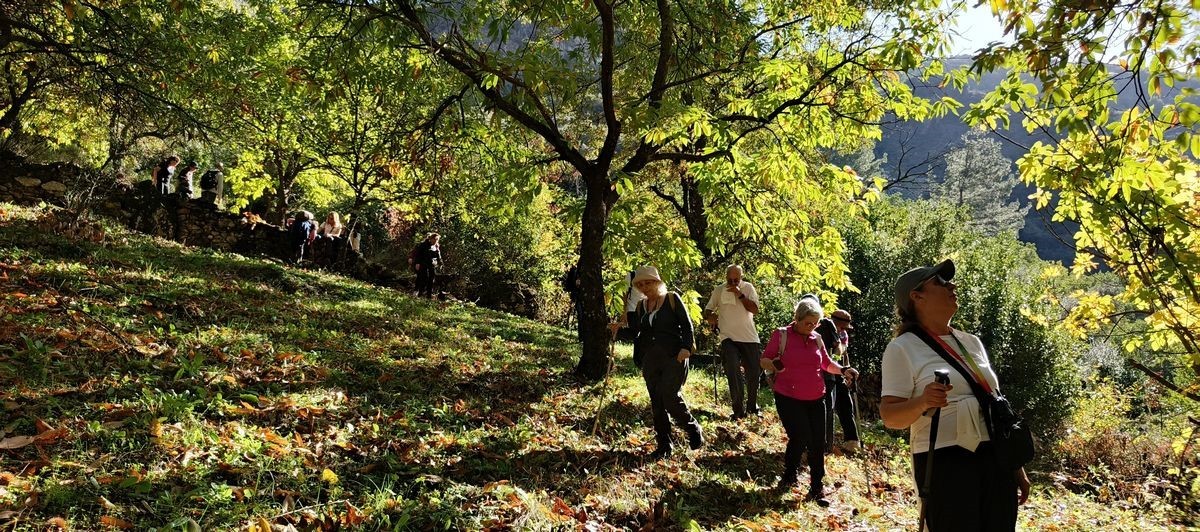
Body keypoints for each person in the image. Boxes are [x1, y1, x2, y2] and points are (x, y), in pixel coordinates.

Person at [879, 259, 1030, 530]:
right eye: (941, 282)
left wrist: (1015, 466)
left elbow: (993, 405)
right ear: (917, 296)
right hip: (944, 461)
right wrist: (923, 401)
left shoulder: (972, 342)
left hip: (995, 459)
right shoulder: (902, 348)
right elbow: (890, 416)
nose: (953, 285)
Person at [760, 297, 858, 506]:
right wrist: (775, 364)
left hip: (816, 396)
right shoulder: (782, 335)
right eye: (808, 323)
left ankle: (816, 486)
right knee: (800, 436)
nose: (812, 327)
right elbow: (764, 359)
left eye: (815, 323)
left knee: (817, 442)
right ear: (797, 318)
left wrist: (843, 370)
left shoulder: (817, 338)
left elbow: (826, 363)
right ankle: (789, 473)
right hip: (788, 396)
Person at [610, 266, 704, 459]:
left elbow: (687, 326)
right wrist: (617, 329)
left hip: (674, 356)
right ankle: (664, 446)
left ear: (657, 282)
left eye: (648, 282)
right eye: (640, 284)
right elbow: (636, 332)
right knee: (657, 403)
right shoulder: (641, 306)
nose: (645, 287)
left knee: (669, 396)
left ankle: (692, 427)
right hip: (650, 360)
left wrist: (686, 348)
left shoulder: (672, 299)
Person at [702, 265, 762, 420]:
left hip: (749, 337)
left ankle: (752, 406)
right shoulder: (719, 290)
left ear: (741, 277)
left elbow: (755, 309)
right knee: (733, 371)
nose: (733, 282)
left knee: (753, 374)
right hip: (727, 336)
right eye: (730, 279)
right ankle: (737, 410)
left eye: (736, 279)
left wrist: (740, 294)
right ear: (726, 277)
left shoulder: (748, 288)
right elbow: (707, 310)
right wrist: (711, 317)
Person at [823, 308, 860, 453]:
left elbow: (843, 354)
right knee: (828, 407)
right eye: (842, 326)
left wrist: (847, 371)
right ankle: (824, 442)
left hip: (840, 371)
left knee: (846, 404)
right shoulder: (824, 331)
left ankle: (852, 441)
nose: (844, 330)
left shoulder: (842, 334)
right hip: (826, 372)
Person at [410, 232, 442, 298]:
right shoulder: (423, 245)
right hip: (423, 264)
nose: (436, 241)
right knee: (423, 278)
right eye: (435, 239)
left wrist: (441, 263)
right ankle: (418, 293)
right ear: (431, 239)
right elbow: (418, 254)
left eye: (437, 240)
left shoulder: (436, 246)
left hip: (432, 265)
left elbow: (438, 255)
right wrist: (417, 263)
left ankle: (428, 295)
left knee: (431, 279)